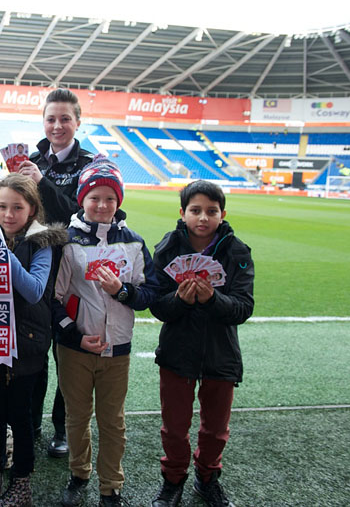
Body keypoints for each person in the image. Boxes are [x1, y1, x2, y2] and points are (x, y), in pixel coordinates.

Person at [52, 157, 158, 507]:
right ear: (82, 199)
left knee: (113, 422)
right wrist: (74, 336)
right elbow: (53, 299)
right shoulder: (68, 242)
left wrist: (122, 291)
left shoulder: (134, 242)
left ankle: (110, 485)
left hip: (118, 349)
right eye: (94, 197)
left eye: (110, 198)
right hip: (76, 350)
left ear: (119, 202)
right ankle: (79, 473)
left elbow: (149, 295)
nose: (102, 205)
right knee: (77, 416)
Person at [0, 174, 66, 507]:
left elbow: (34, 290)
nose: (8, 214)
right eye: (2, 207)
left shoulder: (42, 241)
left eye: (17, 207)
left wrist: (1, 253)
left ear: (32, 209)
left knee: (20, 418)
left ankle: (21, 484)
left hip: (27, 345)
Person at [149, 180, 254, 507]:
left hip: (220, 354)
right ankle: (173, 480)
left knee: (215, 430)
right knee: (174, 428)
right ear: (183, 213)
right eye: (196, 210)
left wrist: (212, 299)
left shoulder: (237, 252)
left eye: (212, 211)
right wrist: (180, 301)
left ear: (223, 214)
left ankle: (207, 478)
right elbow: (157, 307)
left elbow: (243, 308)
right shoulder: (167, 249)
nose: (203, 218)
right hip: (178, 352)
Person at [16, 88, 93, 457]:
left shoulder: (90, 164)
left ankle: (62, 428)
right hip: (37, 266)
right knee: (34, 347)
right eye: (51, 119)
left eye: (65, 118)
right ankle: (29, 425)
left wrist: (42, 184)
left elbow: (81, 216)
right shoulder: (31, 158)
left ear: (78, 122)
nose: (57, 125)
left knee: (67, 352)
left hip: (73, 269)